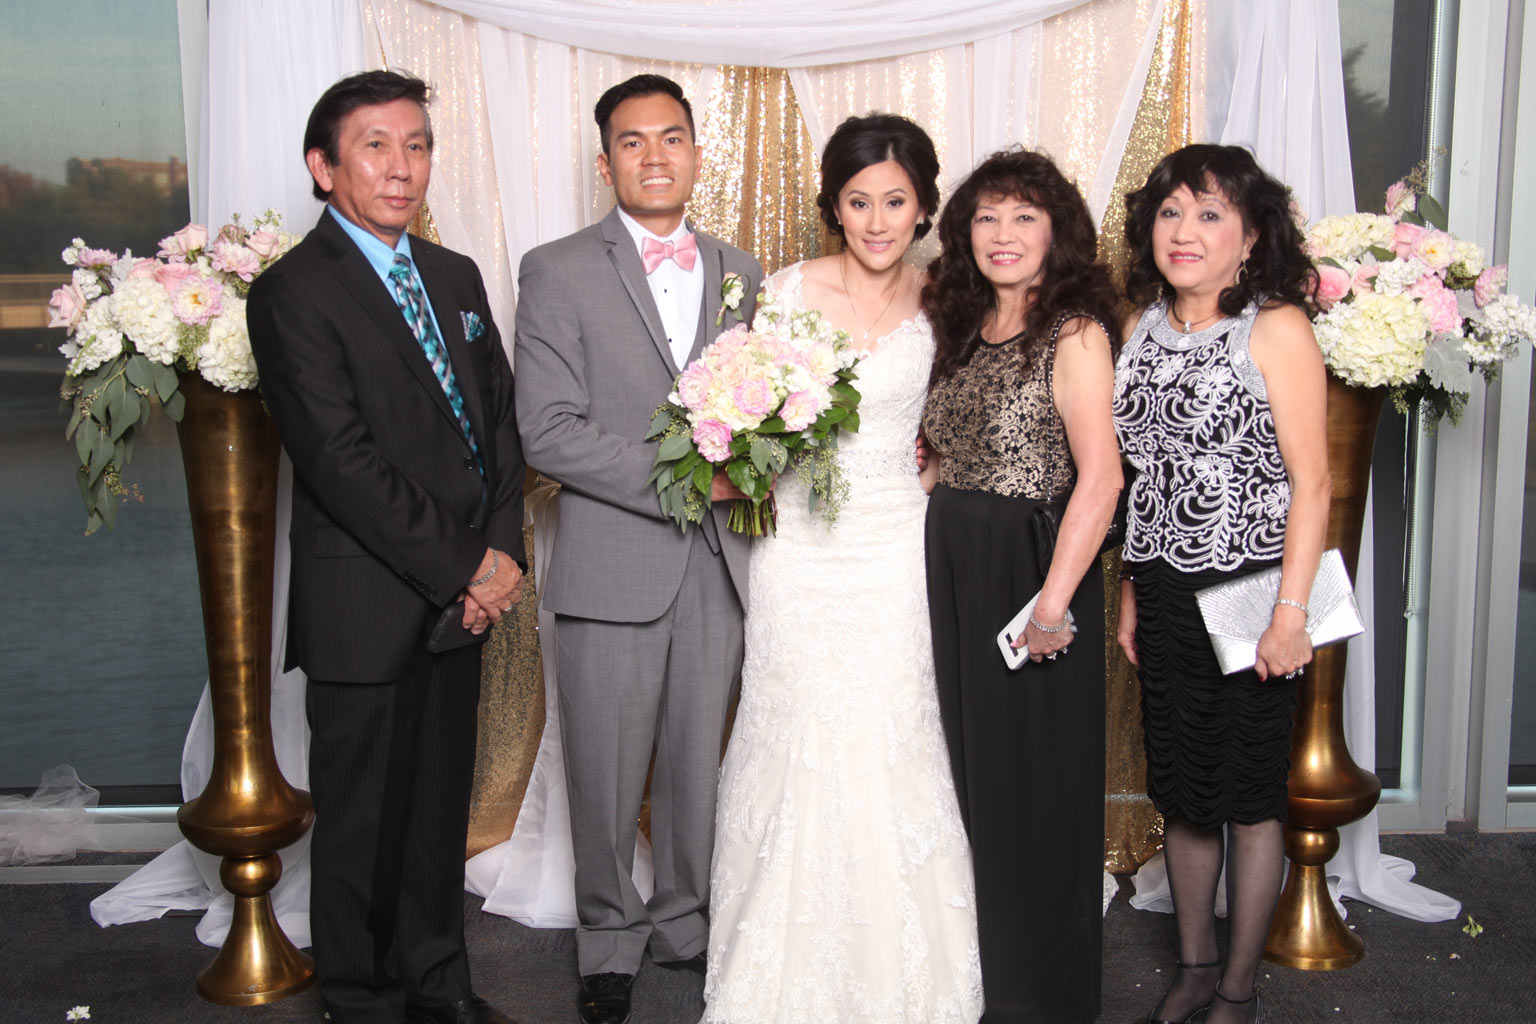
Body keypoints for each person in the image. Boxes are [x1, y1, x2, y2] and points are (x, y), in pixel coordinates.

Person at [246, 71, 526, 1024]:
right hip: (368, 601)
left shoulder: (453, 278)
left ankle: (439, 984)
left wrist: (502, 556)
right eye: (376, 146)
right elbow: (341, 462)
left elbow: (497, 424)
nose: (402, 167)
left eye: (417, 146)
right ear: (325, 168)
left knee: (437, 810)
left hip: (467, 597)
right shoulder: (292, 293)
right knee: (362, 822)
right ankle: (361, 1001)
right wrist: (466, 564)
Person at [701, 113, 984, 1024]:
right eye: (858, 201)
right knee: (794, 727)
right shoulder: (783, 291)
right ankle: (777, 970)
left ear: (923, 208)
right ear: (834, 206)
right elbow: (738, 417)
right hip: (800, 550)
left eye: (894, 201)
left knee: (896, 730)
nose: (875, 219)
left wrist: (941, 464)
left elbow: (972, 413)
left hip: (899, 546)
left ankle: (905, 971)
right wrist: (745, 465)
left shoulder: (949, 299)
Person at [513, 74, 762, 1024]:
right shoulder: (557, 268)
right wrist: (697, 480)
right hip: (613, 561)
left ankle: (686, 922)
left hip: (720, 568)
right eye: (632, 141)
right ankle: (607, 939)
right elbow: (550, 432)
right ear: (605, 157)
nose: (654, 156)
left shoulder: (746, 271)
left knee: (701, 761)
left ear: (698, 152)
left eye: (671, 138)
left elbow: (773, 415)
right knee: (607, 769)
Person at [1114, 144, 1329, 1024]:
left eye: (1209, 214)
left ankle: (1237, 989)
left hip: (1252, 586)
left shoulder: (1275, 328)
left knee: (1245, 795)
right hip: (1163, 588)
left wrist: (1290, 613)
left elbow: (1311, 485)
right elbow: (1140, 477)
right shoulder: (1137, 326)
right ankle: (1195, 965)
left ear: (1250, 237)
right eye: (1170, 212)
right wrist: (1130, 588)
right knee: (1183, 789)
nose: (1186, 231)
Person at [920, 149, 1123, 1023]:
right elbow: (942, 454)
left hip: (1032, 571)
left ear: (1057, 232)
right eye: (987, 218)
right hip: (954, 564)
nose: (1004, 236)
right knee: (975, 779)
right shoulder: (962, 325)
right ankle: (991, 979)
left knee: (1037, 789)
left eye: (1024, 217)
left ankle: (1045, 999)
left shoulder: (1073, 329)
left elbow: (1102, 477)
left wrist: (1052, 603)